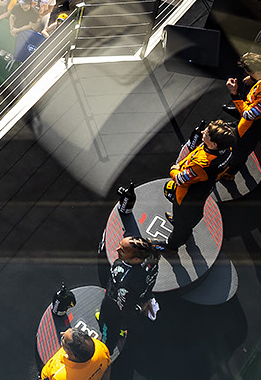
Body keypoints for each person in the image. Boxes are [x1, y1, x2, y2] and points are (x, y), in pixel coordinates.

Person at [159, 120, 234, 254]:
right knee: (192, 214)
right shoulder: (227, 150)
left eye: (206, 134)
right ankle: (182, 223)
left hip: (187, 195)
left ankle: (172, 246)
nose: (202, 132)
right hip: (203, 189)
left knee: (182, 222)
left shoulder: (202, 164)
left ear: (214, 144)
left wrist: (174, 169)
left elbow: (180, 179)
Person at [99, 237, 160, 344]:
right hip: (135, 300)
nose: (117, 249)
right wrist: (147, 298)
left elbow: (125, 307)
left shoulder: (125, 281)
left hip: (115, 310)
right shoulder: (152, 260)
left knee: (110, 328)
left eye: (122, 250)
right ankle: (120, 327)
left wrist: (141, 307)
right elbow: (150, 283)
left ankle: (108, 344)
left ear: (135, 259)